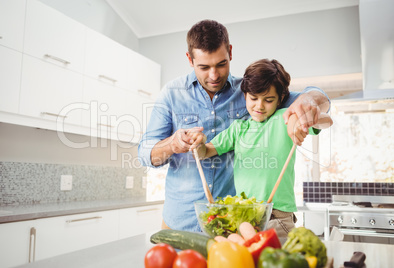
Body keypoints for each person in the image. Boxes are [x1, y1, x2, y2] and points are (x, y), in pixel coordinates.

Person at [138, 19, 330, 232]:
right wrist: (172, 145)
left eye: (221, 64)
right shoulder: (171, 93)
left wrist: (312, 99)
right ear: (190, 60)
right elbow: (145, 153)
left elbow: (312, 100)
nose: (214, 75)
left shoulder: (251, 91)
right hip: (180, 222)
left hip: (236, 223)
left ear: (230, 52)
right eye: (204, 67)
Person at [187, 58, 333, 239]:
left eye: (268, 100)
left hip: (277, 216)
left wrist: (303, 119)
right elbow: (205, 152)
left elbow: (328, 121)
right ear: (245, 96)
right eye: (253, 98)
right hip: (244, 219)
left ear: (280, 99)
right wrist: (198, 143)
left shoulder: (285, 118)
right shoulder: (238, 128)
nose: (259, 106)